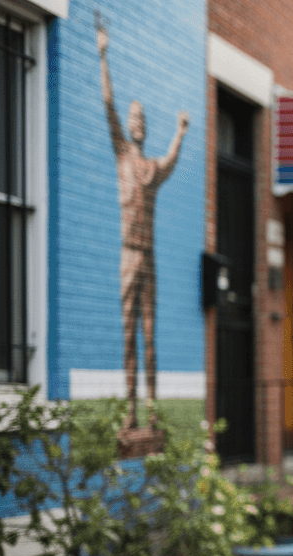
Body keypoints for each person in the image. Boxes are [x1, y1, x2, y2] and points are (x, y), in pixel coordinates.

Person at [98, 19, 190, 427]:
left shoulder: (153, 169)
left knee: (150, 337)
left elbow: (171, 158)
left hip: (149, 259)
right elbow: (107, 104)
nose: (137, 122)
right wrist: (103, 55)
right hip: (128, 256)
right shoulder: (122, 156)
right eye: (133, 118)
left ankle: (152, 413)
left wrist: (181, 132)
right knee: (127, 335)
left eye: (142, 119)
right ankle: (130, 414)